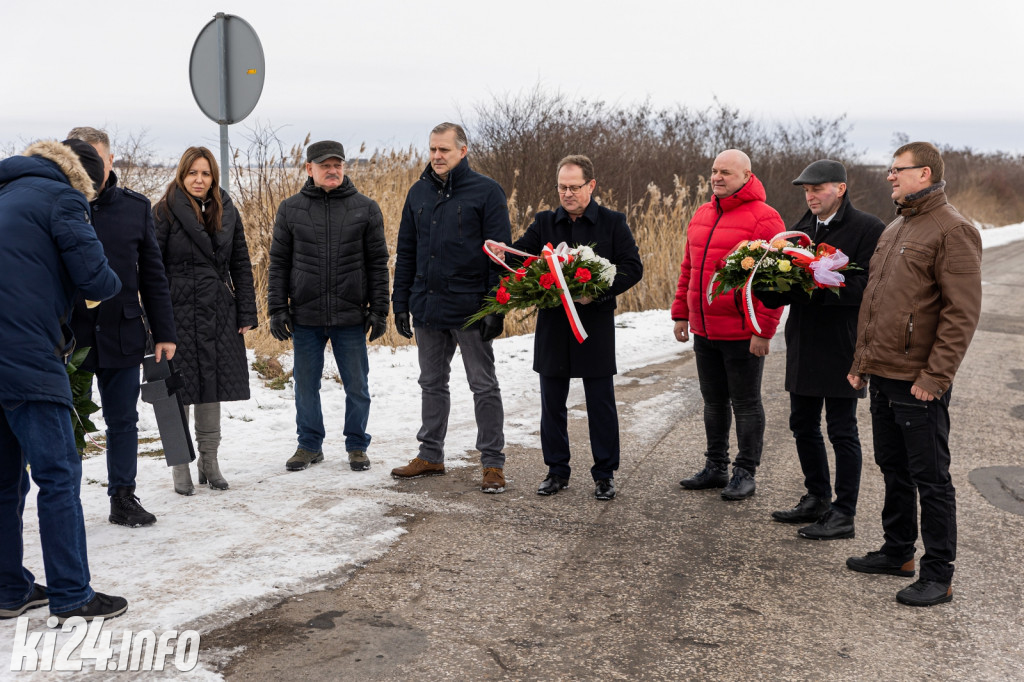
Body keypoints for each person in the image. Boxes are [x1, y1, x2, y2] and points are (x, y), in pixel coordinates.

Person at [846, 142, 982, 607]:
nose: (889, 176)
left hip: (917, 380)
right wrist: (861, 364)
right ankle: (898, 551)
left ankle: (937, 574)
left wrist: (935, 376)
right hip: (883, 373)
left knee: (931, 478)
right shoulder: (897, 226)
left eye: (897, 170)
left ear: (924, 174)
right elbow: (877, 304)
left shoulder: (953, 230)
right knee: (892, 467)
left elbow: (961, 314)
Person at [0, 139, 128, 621]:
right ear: (85, 178)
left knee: (4, 482)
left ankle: (9, 589)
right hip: (28, 352)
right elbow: (97, 279)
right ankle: (73, 594)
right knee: (58, 474)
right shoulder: (65, 199)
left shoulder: (5, 194)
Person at [756, 160, 885, 539]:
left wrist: (816, 285)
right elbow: (784, 279)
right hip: (804, 340)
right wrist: (768, 285)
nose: (810, 196)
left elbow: (868, 289)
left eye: (818, 189)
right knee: (802, 424)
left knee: (842, 430)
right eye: (806, 190)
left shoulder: (867, 228)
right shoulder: (801, 228)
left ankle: (843, 513)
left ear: (840, 189)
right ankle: (817, 498)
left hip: (843, 342)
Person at [510, 155, 642, 500]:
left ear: (591, 186)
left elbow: (632, 267)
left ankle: (604, 474)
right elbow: (522, 258)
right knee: (552, 401)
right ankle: (556, 471)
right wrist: (503, 251)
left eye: (574, 187)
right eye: (562, 187)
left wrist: (596, 291)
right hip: (554, 326)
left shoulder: (613, 223)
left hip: (594, 325)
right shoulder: (544, 223)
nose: (567, 194)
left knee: (600, 401)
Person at [391, 122, 512, 493]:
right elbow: (407, 252)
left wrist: (496, 306)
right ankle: (430, 455)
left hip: (470, 307)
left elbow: (499, 256)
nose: (437, 157)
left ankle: (492, 463)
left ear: (462, 151)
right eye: (432, 150)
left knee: (483, 385)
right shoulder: (418, 193)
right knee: (431, 383)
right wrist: (400, 303)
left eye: (444, 150)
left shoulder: (487, 192)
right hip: (427, 306)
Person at [66, 127, 177, 528]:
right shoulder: (56, 204)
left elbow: (153, 275)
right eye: (80, 160)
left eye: (96, 158)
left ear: (110, 161)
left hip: (122, 331)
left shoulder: (135, 208)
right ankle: (65, 503)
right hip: (69, 339)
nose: (90, 168)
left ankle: (123, 497)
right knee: (65, 425)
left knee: (123, 421)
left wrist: (165, 332)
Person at [268, 140, 389, 473]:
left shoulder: (365, 207)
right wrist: (276, 309)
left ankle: (356, 446)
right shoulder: (290, 209)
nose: (332, 170)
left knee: (357, 386)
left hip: (350, 314)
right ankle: (309, 445)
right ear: (309, 169)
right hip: (305, 315)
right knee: (306, 385)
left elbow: (378, 263)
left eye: (337, 164)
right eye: (325, 165)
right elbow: (278, 263)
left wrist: (380, 309)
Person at [672, 149, 785, 501]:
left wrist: (763, 330)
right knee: (713, 402)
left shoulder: (765, 219)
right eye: (714, 171)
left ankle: (745, 471)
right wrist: (681, 312)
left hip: (741, 332)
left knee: (746, 403)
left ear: (747, 176)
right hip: (705, 330)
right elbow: (689, 268)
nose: (717, 177)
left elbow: (775, 283)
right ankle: (716, 466)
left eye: (726, 172)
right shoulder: (703, 214)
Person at [153, 147, 258, 495]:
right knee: (175, 390)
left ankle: (209, 460)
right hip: (174, 310)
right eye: (192, 173)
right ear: (182, 175)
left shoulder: (227, 211)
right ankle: (180, 464)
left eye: (206, 173)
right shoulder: (164, 210)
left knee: (211, 386)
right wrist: (154, 320)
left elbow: (241, 263)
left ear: (213, 176)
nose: (199, 179)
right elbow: (150, 268)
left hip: (217, 309)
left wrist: (245, 311)